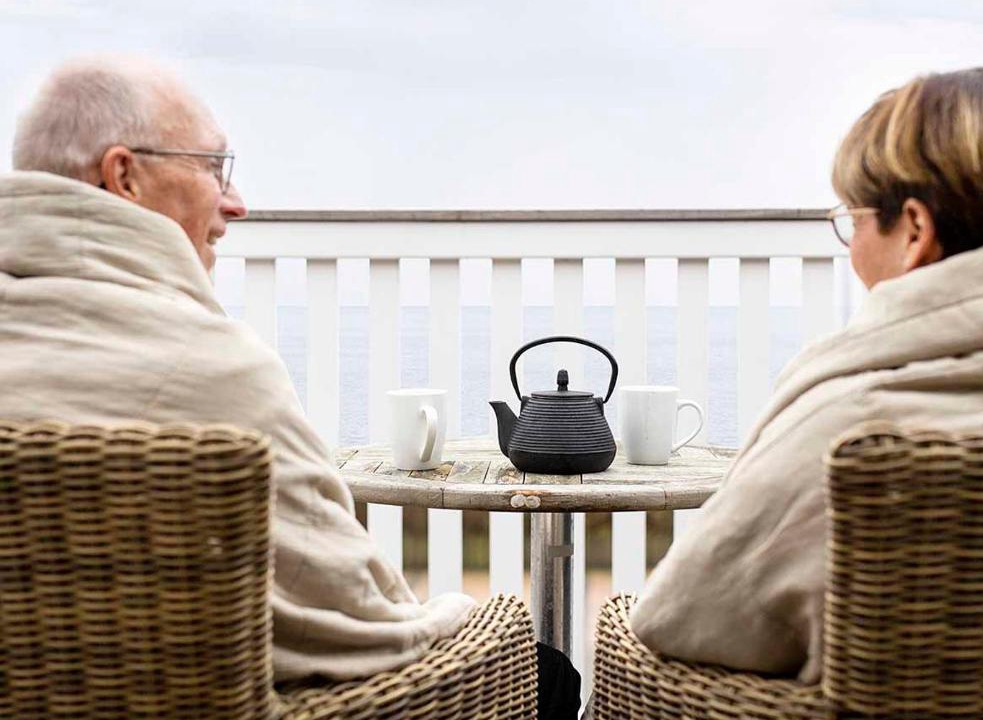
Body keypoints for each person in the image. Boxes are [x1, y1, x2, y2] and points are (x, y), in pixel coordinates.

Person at [1, 56, 579, 718]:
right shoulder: (214, 373)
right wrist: (462, 618)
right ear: (124, 175)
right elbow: (364, 619)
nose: (236, 203)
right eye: (213, 167)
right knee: (547, 672)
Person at [631, 67, 983, 682]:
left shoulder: (851, 421)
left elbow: (680, 619)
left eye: (855, 219)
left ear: (915, 231)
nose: (851, 247)